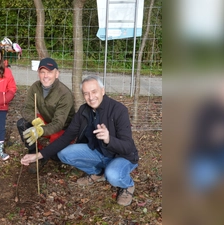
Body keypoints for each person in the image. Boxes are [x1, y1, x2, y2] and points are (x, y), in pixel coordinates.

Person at [21, 75, 139, 206]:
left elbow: (128, 147)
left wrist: (108, 139)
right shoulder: (84, 111)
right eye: (86, 93)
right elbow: (66, 137)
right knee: (64, 153)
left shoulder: (118, 110)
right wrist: (38, 155)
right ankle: (97, 173)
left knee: (113, 175)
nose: (91, 97)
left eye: (94, 92)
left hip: (122, 156)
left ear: (103, 91)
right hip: (99, 152)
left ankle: (128, 185)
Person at [17, 57, 75, 173]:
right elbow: (26, 109)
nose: (45, 76)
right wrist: (34, 121)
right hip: (45, 122)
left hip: (62, 128)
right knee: (22, 124)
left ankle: (43, 156)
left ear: (57, 74)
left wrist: (40, 131)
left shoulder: (65, 94)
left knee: (57, 155)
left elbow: (58, 123)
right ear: (38, 73)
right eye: (42, 72)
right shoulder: (35, 87)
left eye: (49, 72)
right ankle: (34, 151)